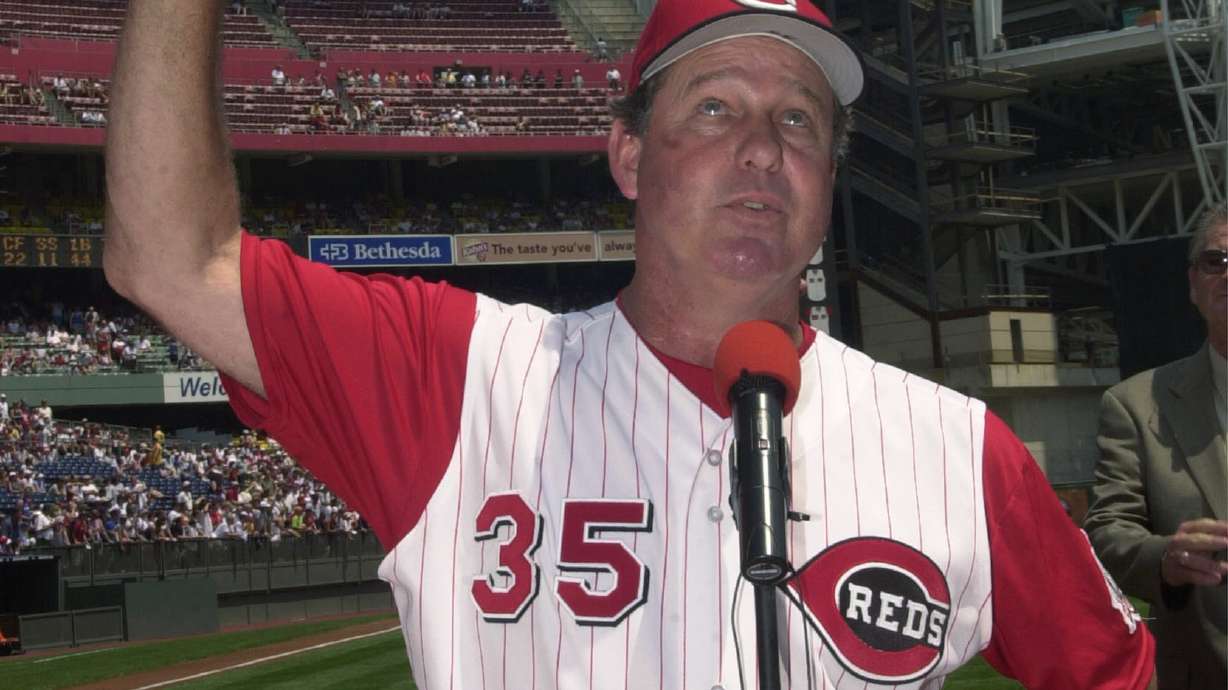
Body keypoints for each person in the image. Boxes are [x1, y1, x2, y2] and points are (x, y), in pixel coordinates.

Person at [105, 0, 1155, 687]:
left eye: (798, 122)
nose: (759, 147)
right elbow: (166, 256)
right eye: (713, 108)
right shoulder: (458, 372)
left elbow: (1117, 672)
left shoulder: (954, 446)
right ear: (626, 157)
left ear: (828, 178)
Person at [1084, 202, 1228, 689]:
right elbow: (1108, 531)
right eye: (1216, 261)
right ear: (1193, 283)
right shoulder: (1134, 404)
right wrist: (1166, 559)